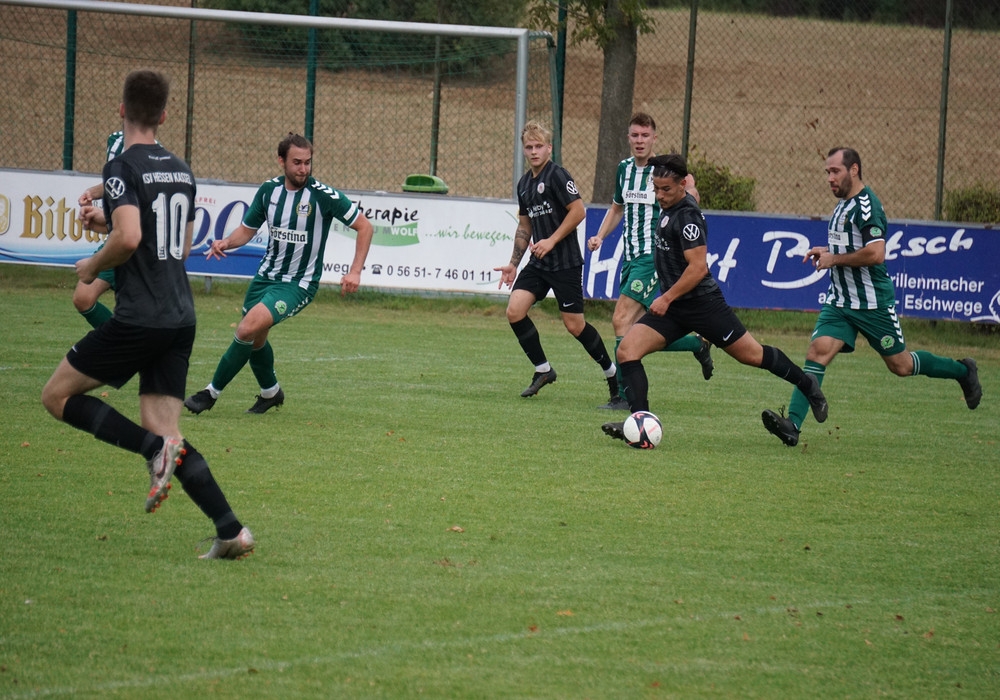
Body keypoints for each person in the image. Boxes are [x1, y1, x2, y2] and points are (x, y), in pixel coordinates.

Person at [41, 69, 253, 560]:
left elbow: (132, 237)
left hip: (141, 317)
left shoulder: (121, 166)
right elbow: (178, 244)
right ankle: (231, 531)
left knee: (56, 396)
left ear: (121, 110)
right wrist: (108, 220)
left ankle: (152, 452)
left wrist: (93, 264)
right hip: (180, 316)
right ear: (163, 115)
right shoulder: (180, 169)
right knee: (167, 432)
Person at [761, 147, 982, 446]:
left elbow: (876, 254)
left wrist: (834, 260)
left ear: (854, 170)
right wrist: (826, 251)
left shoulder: (868, 206)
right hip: (840, 301)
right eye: (827, 172)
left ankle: (963, 370)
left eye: (835, 171)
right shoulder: (842, 205)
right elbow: (850, 246)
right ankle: (793, 426)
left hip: (872, 304)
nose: (829, 178)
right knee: (817, 351)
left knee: (901, 366)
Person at [601, 153, 829, 441]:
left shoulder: (688, 218)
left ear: (681, 185)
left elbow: (698, 269)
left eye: (666, 189)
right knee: (627, 351)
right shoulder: (676, 200)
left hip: (703, 305)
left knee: (752, 355)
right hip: (675, 308)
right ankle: (640, 423)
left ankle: (808, 386)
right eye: (655, 189)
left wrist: (666, 298)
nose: (659, 195)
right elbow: (692, 190)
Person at [184, 133, 373, 415]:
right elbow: (247, 230)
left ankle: (210, 394)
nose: (303, 169)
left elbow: (365, 226)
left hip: (298, 284)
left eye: (307, 162)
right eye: (297, 162)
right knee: (256, 338)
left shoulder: (323, 195)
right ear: (281, 161)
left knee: (247, 329)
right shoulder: (268, 191)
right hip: (265, 278)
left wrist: (355, 271)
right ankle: (271, 392)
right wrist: (226, 242)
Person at [586, 112, 713, 410]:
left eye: (645, 135)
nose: (640, 140)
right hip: (630, 257)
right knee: (637, 330)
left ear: (654, 138)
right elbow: (617, 208)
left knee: (620, 318)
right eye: (635, 135)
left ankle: (623, 395)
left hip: (653, 257)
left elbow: (690, 195)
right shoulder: (624, 169)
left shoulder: (665, 172)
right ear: (628, 138)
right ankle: (697, 343)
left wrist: (692, 191)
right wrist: (600, 236)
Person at [495, 120, 619, 401]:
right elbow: (524, 226)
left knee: (575, 326)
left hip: (565, 263)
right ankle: (543, 370)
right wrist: (513, 263)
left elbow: (578, 211)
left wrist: (551, 240)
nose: (534, 151)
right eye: (529, 147)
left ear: (549, 148)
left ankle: (613, 375)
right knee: (515, 310)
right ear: (524, 150)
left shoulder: (558, 176)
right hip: (539, 263)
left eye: (539, 146)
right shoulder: (524, 185)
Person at [73, 130, 129, 328]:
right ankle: (121, 341)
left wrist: (107, 219)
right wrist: (92, 193)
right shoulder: (118, 140)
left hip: (138, 245)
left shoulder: (149, 152)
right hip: (122, 239)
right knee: (83, 298)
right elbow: (116, 183)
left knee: (141, 311)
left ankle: (127, 342)